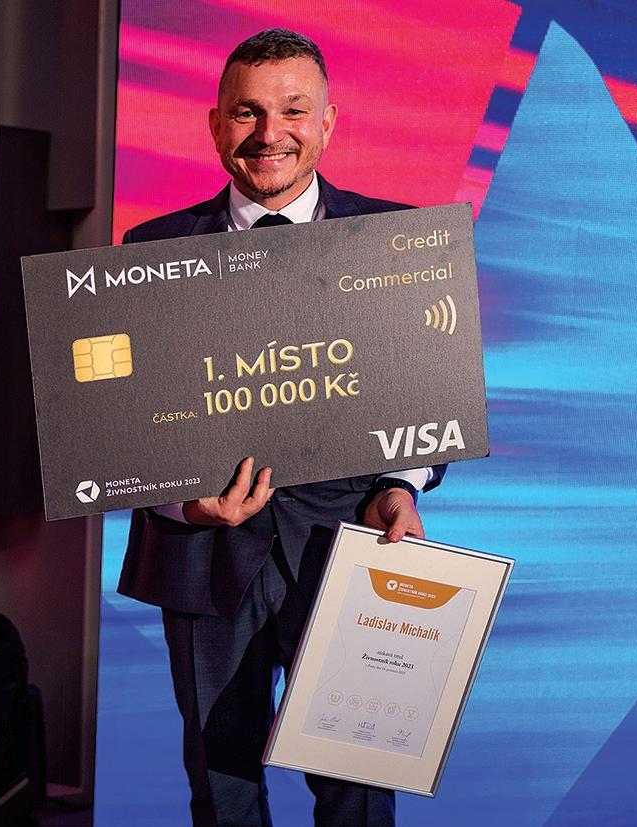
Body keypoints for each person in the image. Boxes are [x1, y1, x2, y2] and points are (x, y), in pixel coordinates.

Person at [118, 28, 445, 827]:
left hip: (347, 547)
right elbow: (125, 427)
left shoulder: (400, 241)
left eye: (293, 110)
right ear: (215, 124)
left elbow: (423, 400)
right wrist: (185, 502)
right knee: (221, 785)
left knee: (356, 788)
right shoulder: (148, 250)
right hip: (201, 556)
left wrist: (398, 487)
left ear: (327, 123)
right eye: (247, 112)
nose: (270, 133)